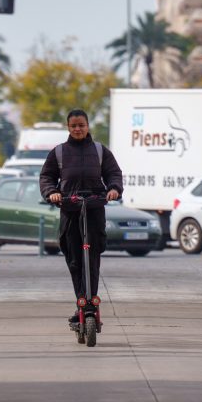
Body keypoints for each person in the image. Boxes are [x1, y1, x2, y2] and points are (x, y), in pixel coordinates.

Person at [39, 109, 123, 323]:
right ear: (68, 127)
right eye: (74, 126)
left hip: (94, 209)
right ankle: (81, 303)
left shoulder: (100, 151)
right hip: (70, 210)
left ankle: (91, 303)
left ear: (88, 126)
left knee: (92, 259)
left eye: (81, 125)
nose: (78, 129)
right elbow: (46, 176)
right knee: (75, 260)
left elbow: (114, 173)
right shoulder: (58, 152)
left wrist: (114, 188)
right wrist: (52, 192)